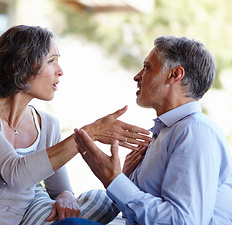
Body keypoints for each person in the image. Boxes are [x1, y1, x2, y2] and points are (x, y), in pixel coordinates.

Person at [0, 25, 151, 225]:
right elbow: (15, 173)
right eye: (52, 60)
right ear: (24, 63)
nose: (60, 71)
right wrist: (90, 134)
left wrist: (65, 197)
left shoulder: (49, 125)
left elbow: (59, 189)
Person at [56, 36, 232, 224]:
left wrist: (114, 180)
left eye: (147, 67)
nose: (137, 76)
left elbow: (183, 221)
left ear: (174, 75)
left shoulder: (195, 132)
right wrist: (121, 179)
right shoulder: (167, 131)